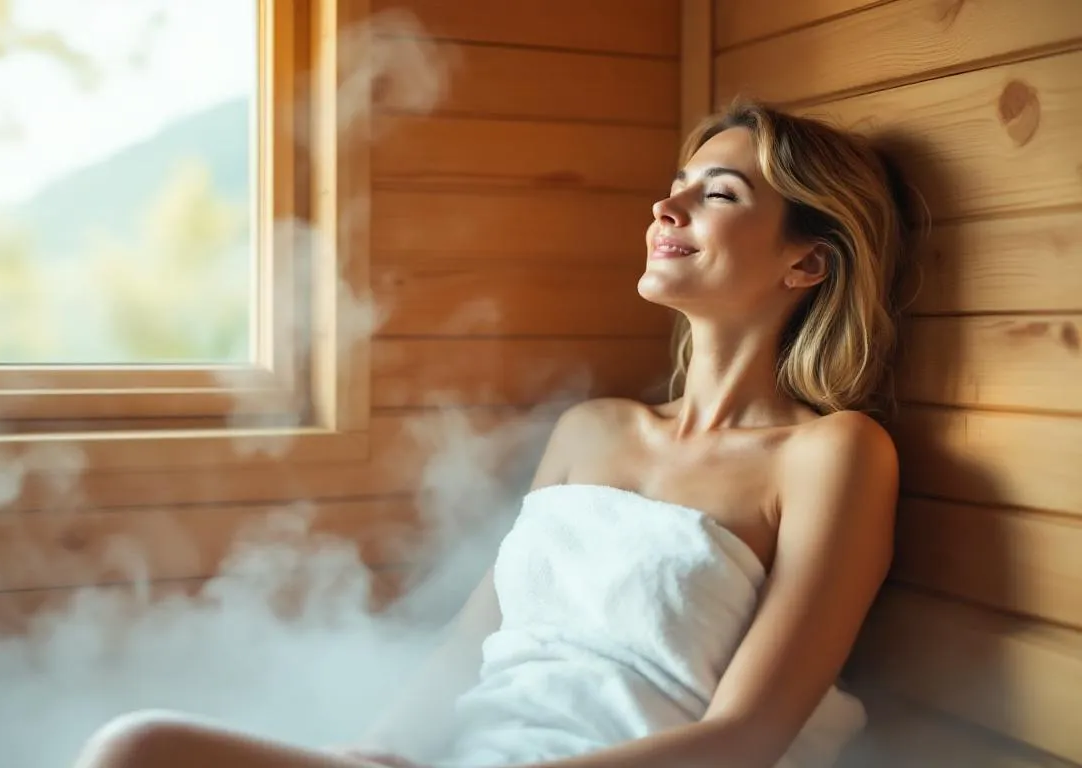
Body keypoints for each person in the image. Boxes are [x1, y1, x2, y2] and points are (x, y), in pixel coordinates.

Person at [70, 98, 920, 768]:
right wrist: (374, 754)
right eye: (679, 183)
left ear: (806, 264)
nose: (667, 205)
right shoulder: (592, 432)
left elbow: (745, 738)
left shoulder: (831, 455)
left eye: (718, 195)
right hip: (477, 754)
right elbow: (471, 642)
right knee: (138, 749)